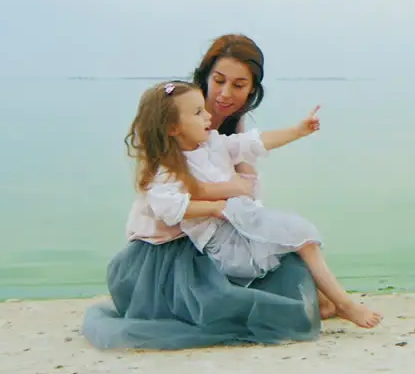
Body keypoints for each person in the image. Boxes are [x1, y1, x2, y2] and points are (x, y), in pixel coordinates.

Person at [81, 34, 350, 349]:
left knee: (288, 255)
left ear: (252, 90)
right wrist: (227, 195)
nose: (224, 94)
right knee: (257, 282)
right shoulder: (174, 118)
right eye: (218, 81)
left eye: (238, 85)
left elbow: (249, 177)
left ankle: (323, 302)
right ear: (205, 78)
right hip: (173, 243)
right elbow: (175, 195)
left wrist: (296, 133)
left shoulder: (223, 134)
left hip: (218, 232)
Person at [126, 80, 381, 328]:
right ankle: (344, 304)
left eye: (204, 108)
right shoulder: (169, 168)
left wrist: (298, 131)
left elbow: (253, 143)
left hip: (241, 222)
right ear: (173, 128)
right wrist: (214, 207)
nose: (207, 116)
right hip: (223, 241)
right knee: (300, 238)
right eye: (197, 112)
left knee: (300, 238)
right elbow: (168, 208)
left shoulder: (214, 144)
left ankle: (328, 303)